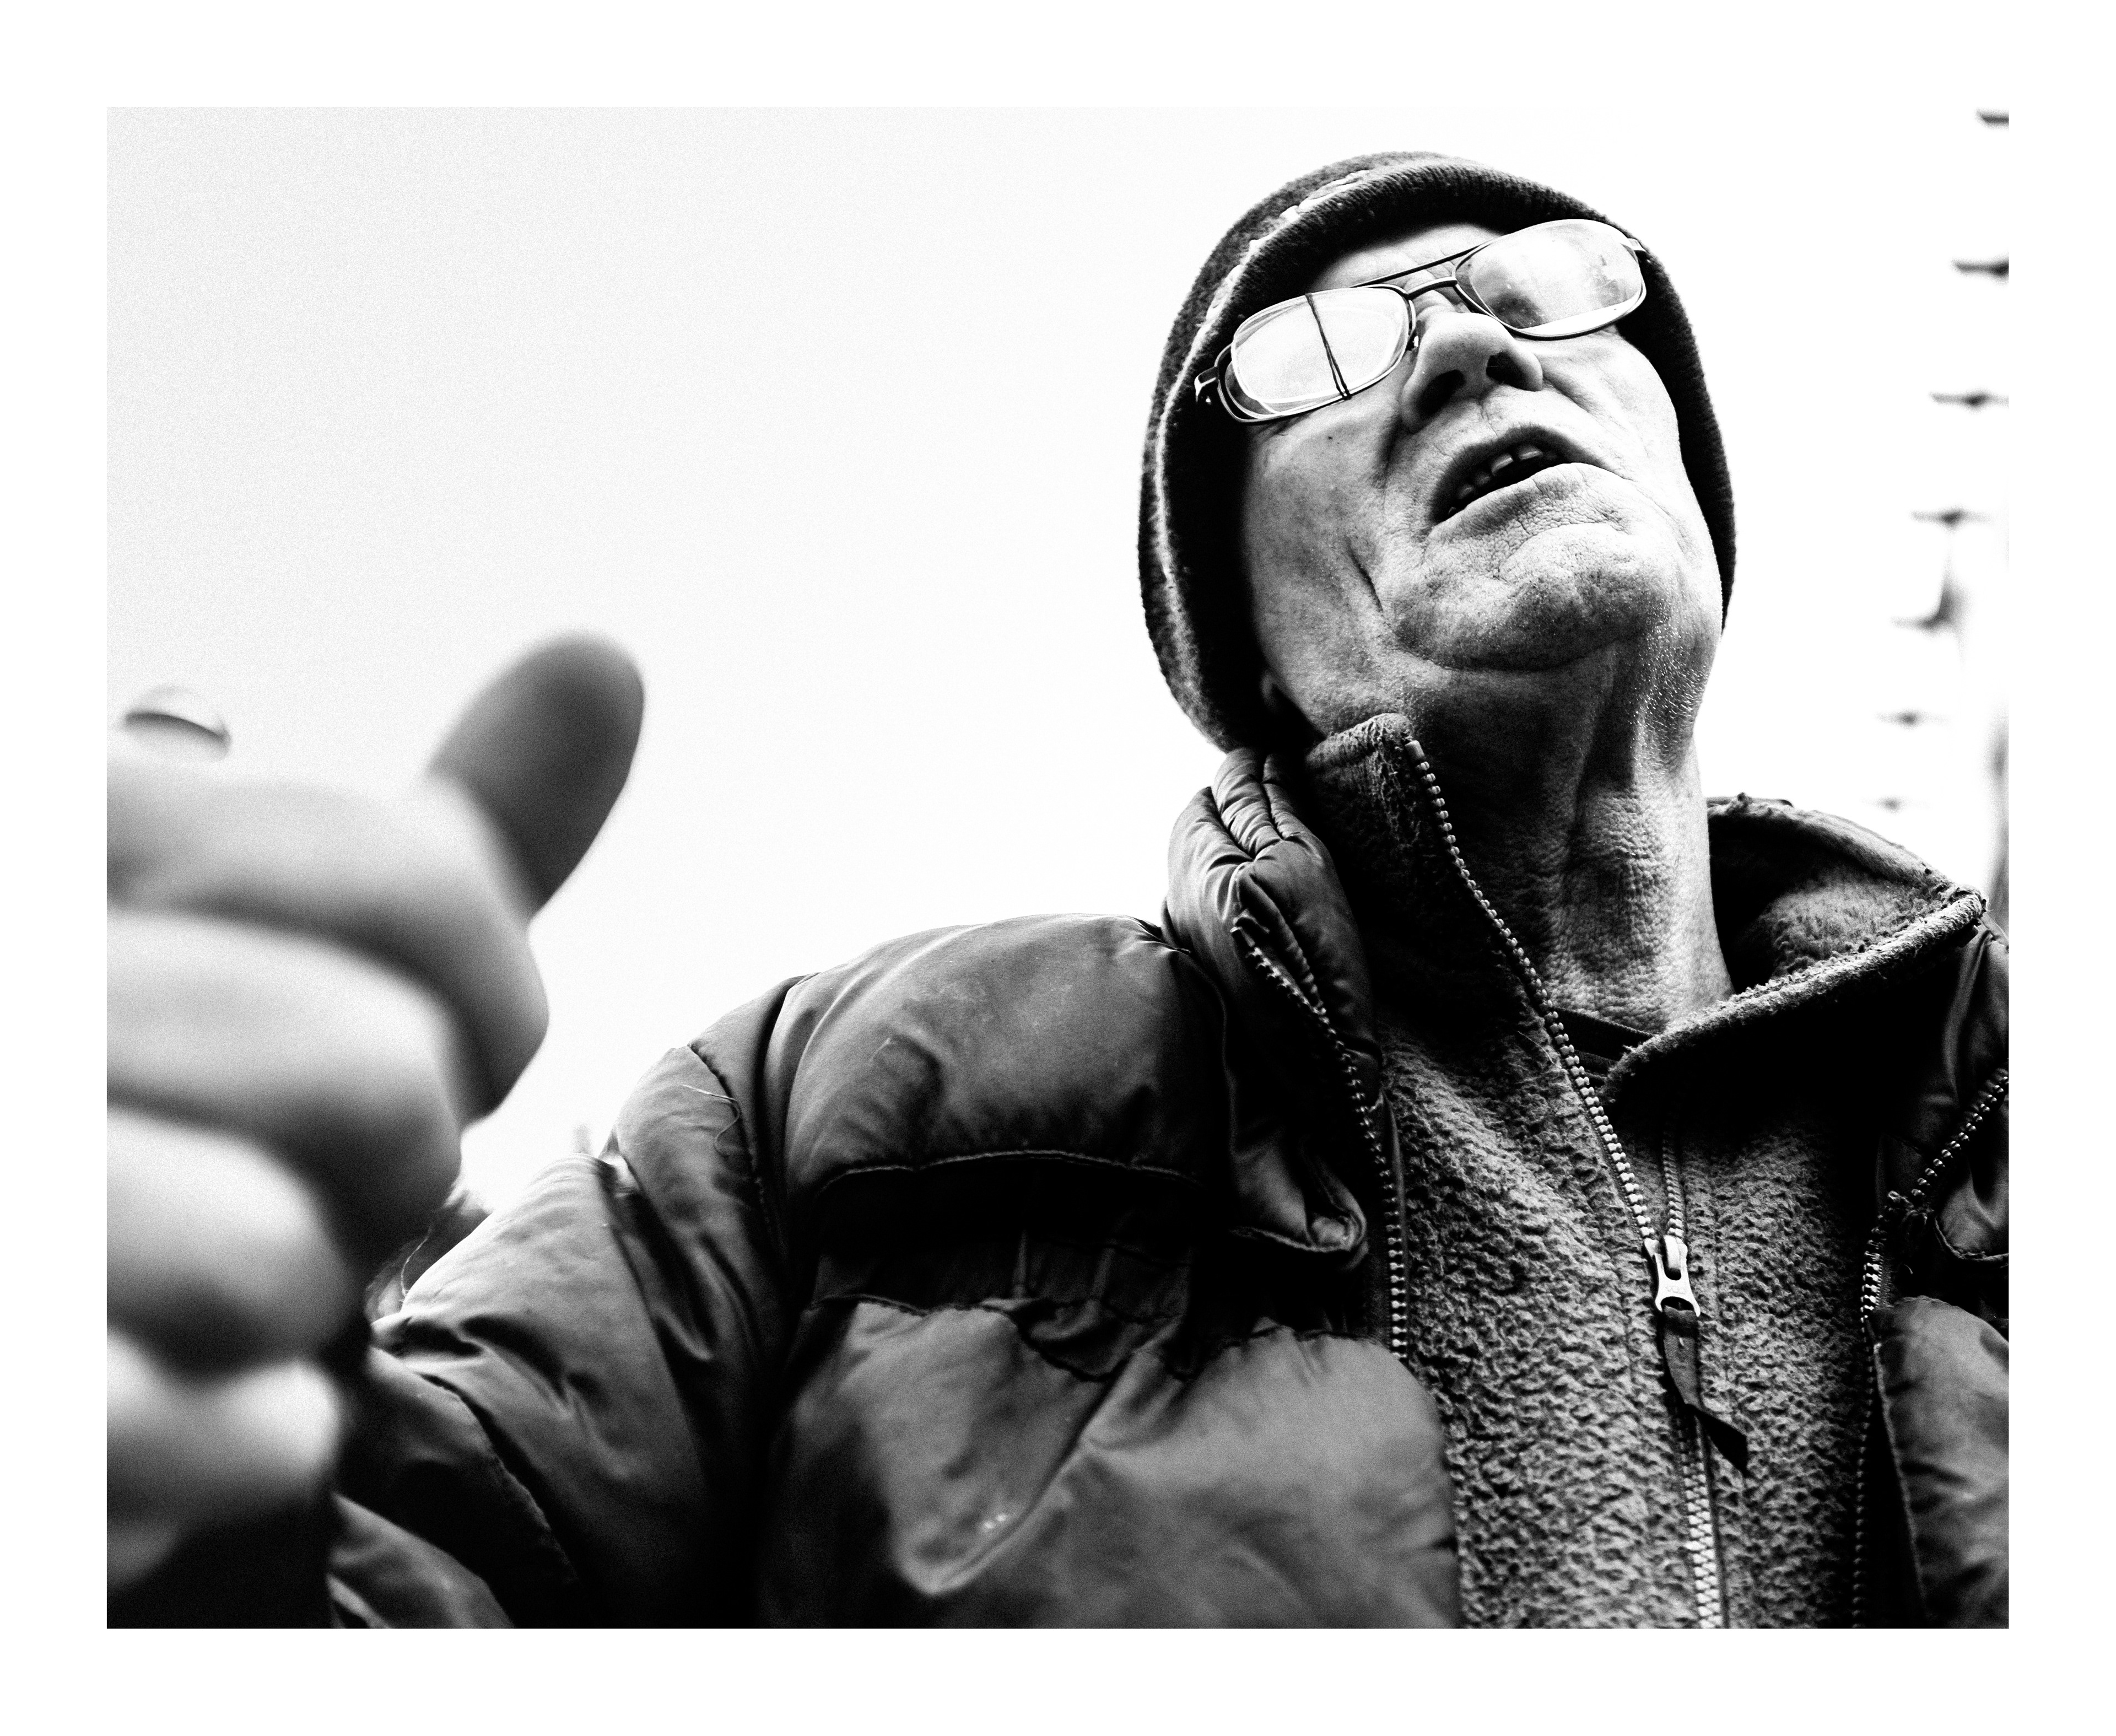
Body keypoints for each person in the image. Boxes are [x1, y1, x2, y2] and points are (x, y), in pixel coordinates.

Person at [106, 150, 2007, 1628]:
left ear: (1686, 475)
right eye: (1319, 352)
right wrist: (134, 1494)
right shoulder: (827, 1114)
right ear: (1243, 645)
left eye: (1545, 287)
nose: (1462, 345)